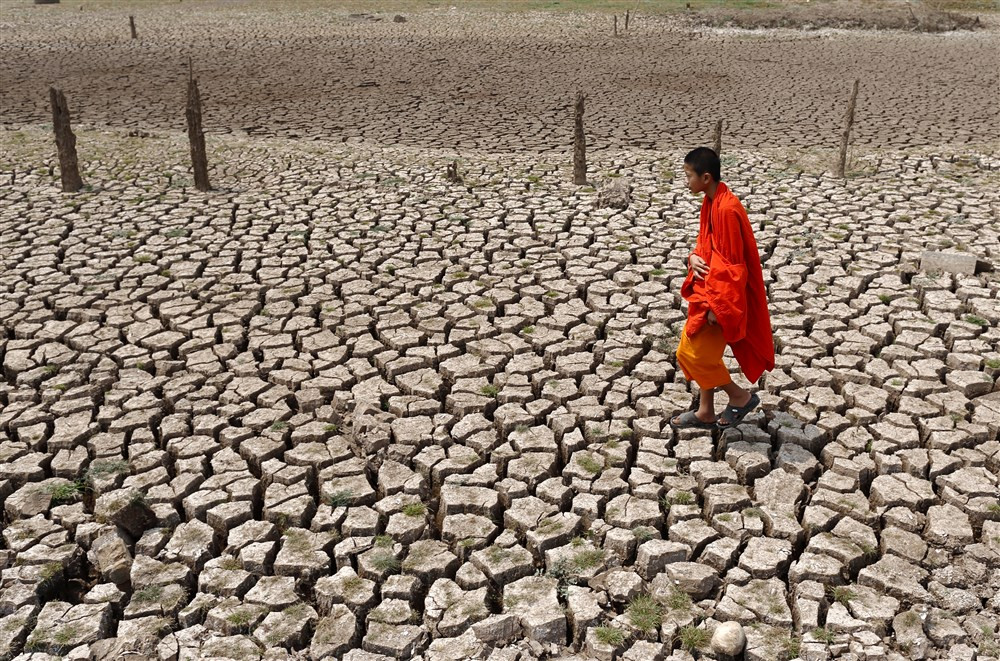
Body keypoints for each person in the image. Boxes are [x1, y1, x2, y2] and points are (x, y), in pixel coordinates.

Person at [670, 147, 774, 430]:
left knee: (697, 355)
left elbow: (732, 266)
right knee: (688, 352)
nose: (685, 181)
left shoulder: (727, 209)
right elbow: (706, 247)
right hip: (708, 290)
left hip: (719, 298)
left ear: (705, 177)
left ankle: (739, 397)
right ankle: (706, 411)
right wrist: (692, 257)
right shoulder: (711, 200)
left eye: (688, 176)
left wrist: (719, 307)